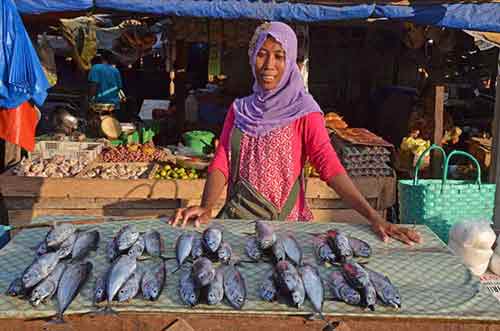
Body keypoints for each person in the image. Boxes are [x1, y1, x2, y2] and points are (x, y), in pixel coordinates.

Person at [170, 22, 421, 245]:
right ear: (251, 57)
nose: (269, 65)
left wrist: (374, 217)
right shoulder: (240, 110)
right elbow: (223, 160)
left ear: (290, 62)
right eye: (262, 54)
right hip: (238, 224)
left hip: (286, 230)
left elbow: (329, 166)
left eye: (279, 56)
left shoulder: (305, 112)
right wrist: (206, 207)